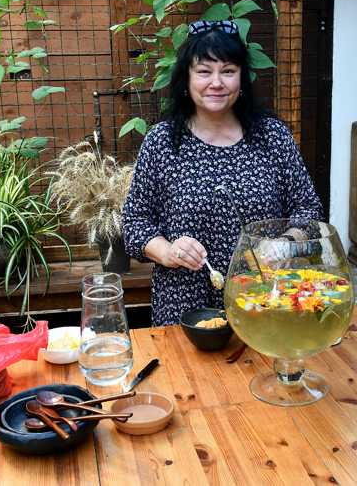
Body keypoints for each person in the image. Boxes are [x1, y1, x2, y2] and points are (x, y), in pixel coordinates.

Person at [122, 19, 323, 326]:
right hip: (183, 308)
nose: (216, 83)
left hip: (264, 300)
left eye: (228, 71)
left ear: (241, 78)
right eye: (204, 71)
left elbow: (308, 209)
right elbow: (135, 224)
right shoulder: (162, 142)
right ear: (187, 78)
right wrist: (168, 251)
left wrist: (285, 242)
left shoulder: (271, 136)